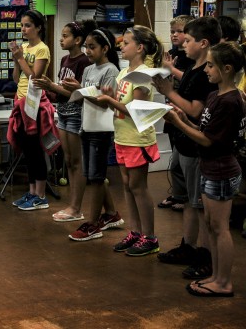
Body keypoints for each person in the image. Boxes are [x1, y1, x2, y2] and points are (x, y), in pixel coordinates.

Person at [165, 42, 245, 297]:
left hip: (221, 168)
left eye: (211, 65)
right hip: (211, 167)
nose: (206, 70)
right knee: (211, 224)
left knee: (220, 227)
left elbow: (207, 139)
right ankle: (216, 276)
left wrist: (178, 122)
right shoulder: (215, 95)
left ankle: (224, 282)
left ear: (227, 68)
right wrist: (185, 117)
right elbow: (204, 127)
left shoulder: (231, 101)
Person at [152, 16, 221, 278]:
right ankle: (189, 245)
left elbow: (194, 108)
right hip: (184, 141)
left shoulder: (206, 75)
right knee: (190, 202)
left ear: (203, 43)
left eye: (188, 40)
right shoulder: (193, 68)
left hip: (194, 144)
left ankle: (204, 253)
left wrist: (169, 93)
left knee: (199, 203)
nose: (184, 44)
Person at [95, 25, 163, 256]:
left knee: (138, 187)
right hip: (122, 136)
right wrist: (108, 96)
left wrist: (109, 99)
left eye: (126, 43)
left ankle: (150, 237)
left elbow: (135, 110)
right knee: (126, 185)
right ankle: (135, 232)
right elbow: (120, 102)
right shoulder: (124, 73)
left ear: (140, 47)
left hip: (137, 138)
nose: (121, 46)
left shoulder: (143, 74)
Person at [33, 19, 96, 221]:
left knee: (77, 162)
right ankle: (72, 206)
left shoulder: (84, 62)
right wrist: (50, 89)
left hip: (76, 114)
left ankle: (76, 208)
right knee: (68, 161)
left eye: (65, 36)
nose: (61, 40)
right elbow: (62, 91)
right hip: (64, 113)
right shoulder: (64, 60)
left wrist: (51, 86)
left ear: (78, 40)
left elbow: (77, 94)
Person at [66, 28, 124, 241]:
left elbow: (105, 102)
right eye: (86, 47)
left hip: (102, 129)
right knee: (93, 175)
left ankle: (92, 224)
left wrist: (80, 89)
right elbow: (85, 97)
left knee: (96, 177)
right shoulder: (89, 70)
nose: (88, 51)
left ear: (105, 48)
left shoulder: (111, 71)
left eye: (92, 47)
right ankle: (111, 213)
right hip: (87, 126)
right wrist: (76, 90)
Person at [7, 9, 57, 211]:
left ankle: (41, 195)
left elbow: (35, 78)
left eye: (28, 25)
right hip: (21, 100)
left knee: (36, 150)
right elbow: (16, 78)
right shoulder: (25, 47)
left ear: (38, 27)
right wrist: (16, 59)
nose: (23, 29)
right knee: (27, 150)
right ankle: (31, 192)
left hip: (34, 103)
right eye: (22, 25)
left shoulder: (42, 49)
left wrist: (20, 58)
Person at [157, 15, 195, 212]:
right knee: (174, 155)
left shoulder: (192, 57)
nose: (174, 34)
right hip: (171, 106)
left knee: (184, 158)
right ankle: (178, 193)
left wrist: (172, 69)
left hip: (186, 108)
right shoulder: (171, 53)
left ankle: (187, 196)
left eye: (179, 31)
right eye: (172, 31)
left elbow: (189, 79)